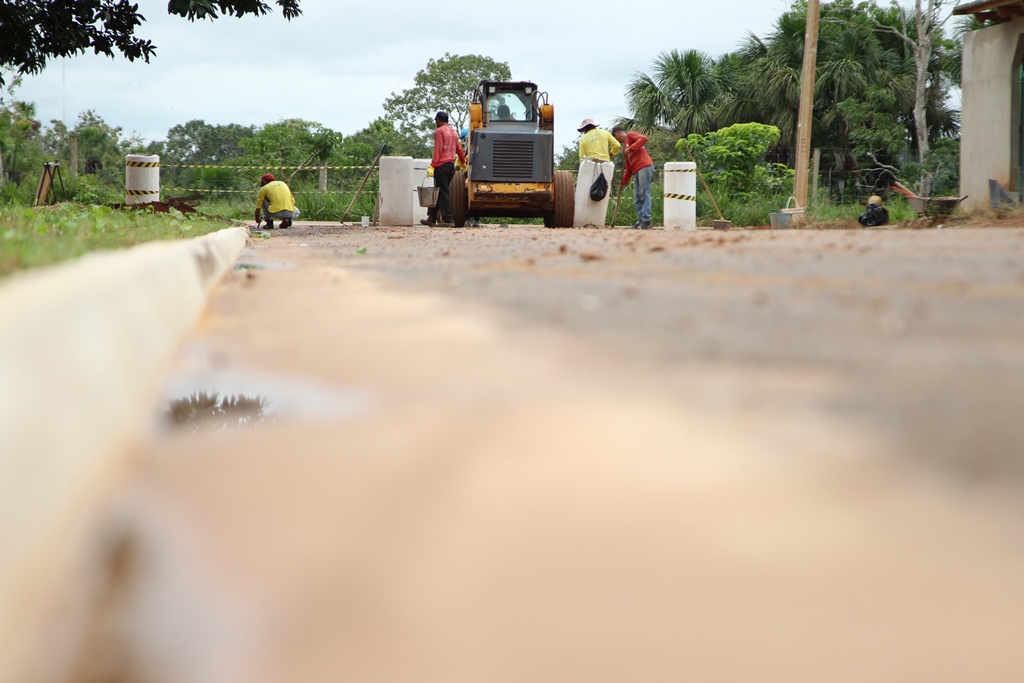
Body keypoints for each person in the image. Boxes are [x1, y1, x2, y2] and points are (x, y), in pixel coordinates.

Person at [421, 111, 467, 227]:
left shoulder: (439, 131)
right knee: (438, 191)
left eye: (435, 121)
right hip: (450, 166)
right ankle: (431, 217)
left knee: (443, 192)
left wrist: (432, 165)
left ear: (438, 120)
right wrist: (463, 161)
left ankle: (448, 219)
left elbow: (438, 150)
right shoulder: (453, 131)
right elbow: (459, 149)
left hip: (441, 166)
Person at [612, 126, 655, 230]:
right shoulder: (624, 150)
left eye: (614, 137)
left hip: (644, 166)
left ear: (617, 133)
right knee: (637, 195)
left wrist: (630, 148)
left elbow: (644, 139)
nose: (616, 139)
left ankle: (646, 219)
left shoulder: (630, 135)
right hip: (636, 170)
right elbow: (628, 168)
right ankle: (640, 219)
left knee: (644, 192)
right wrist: (622, 182)